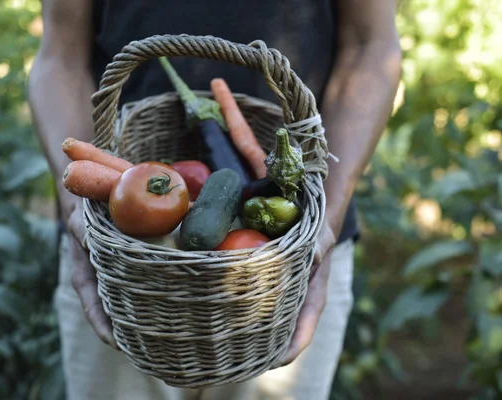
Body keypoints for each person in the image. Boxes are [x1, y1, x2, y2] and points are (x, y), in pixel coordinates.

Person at [28, 1, 401, 399]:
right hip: (122, 274)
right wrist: (79, 214)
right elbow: (60, 55)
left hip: (284, 275)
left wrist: (324, 224)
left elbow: (371, 46)